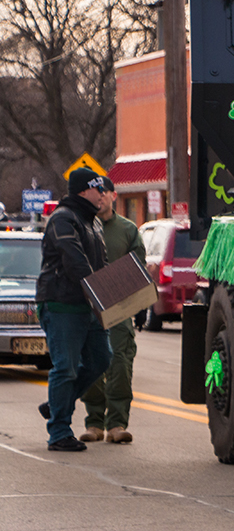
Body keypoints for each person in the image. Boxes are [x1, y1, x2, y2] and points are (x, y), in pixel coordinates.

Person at [36, 167, 112, 452]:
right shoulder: (62, 219)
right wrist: (100, 294)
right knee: (65, 368)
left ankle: (58, 403)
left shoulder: (94, 223)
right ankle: (58, 432)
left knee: (101, 359)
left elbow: (100, 266)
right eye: (98, 189)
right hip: (61, 303)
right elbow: (76, 263)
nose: (103, 194)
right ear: (82, 191)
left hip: (88, 304)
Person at [79, 177, 145, 444]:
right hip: (89, 309)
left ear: (114, 196)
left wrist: (139, 304)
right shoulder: (81, 227)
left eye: (105, 192)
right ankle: (94, 422)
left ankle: (117, 423)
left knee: (120, 365)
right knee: (93, 364)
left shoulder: (127, 230)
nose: (101, 197)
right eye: (97, 193)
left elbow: (139, 266)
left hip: (119, 308)